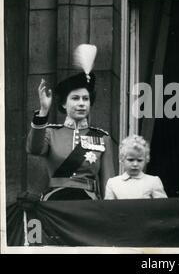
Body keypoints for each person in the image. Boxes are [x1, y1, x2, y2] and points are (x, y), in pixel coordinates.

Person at [26, 45, 115, 200]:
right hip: (56, 202)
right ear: (63, 104)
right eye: (75, 98)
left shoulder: (102, 138)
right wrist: (43, 112)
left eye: (85, 99)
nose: (81, 103)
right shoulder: (50, 133)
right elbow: (33, 149)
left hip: (89, 203)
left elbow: (108, 184)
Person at [105, 135, 167, 199]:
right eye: (130, 160)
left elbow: (162, 206)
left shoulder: (153, 181)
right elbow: (108, 207)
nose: (135, 164)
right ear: (122, 159)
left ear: (146, 160)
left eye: (139, 160)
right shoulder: (113, 183)